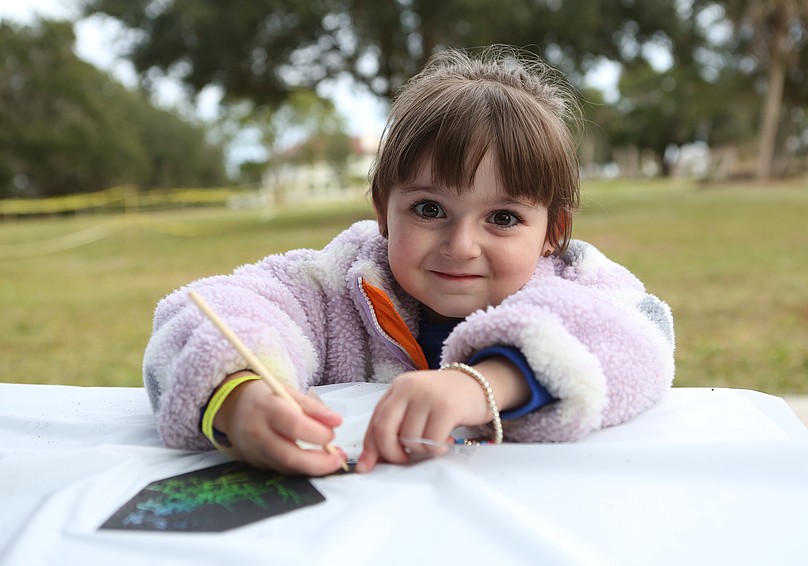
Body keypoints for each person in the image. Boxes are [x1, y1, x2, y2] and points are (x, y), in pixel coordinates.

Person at [143, 46, 675, 476]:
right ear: (383, 210)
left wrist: (482, 385)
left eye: (503, 217)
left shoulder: (580, 283)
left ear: (553, 232)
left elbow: (643, 337)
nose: (461, 245)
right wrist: (239, 397)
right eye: (429, 209)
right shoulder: (336, 284)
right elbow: (205, 314)